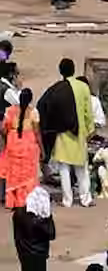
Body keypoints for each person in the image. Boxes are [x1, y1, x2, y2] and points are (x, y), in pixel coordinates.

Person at [44, 59, 92, 207]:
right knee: (82, 168)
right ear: (74, 69)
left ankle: (67, 200)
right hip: (80, 133)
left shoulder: (56, 89)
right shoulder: (83, 87)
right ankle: (86, 199)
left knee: (64, 169)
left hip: (63, 134)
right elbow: (88, 112)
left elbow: (48, 109)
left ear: (60, 71)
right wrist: (89, 130)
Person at [0, 88, 37, 209]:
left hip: (13, 145)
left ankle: (12, 202)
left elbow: (3, 129)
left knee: (13, 175)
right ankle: (25, 202)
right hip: (29, 148)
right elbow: (37, 133)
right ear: (30, 99)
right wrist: (42, 149)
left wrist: (8, 139)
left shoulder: (9, 111)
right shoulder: (33, 112)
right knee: (27, 176)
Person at [11, 186, 53, 271]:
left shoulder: (18, 214)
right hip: (40, 254)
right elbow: (51, 234)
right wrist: (48, 218)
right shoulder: (43, 218)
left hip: (25, 254)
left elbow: (17, 237)